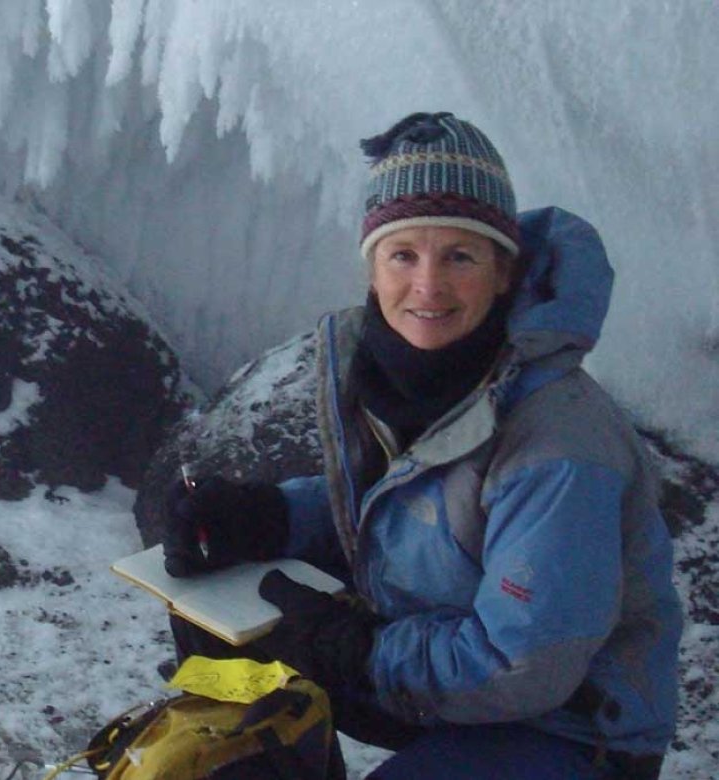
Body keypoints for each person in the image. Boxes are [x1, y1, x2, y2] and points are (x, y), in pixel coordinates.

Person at [163, 112, 682, 779]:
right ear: (372, 268)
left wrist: (358, 652)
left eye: (460, 255)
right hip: (437, 661)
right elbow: (408, 505)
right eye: (403, 253)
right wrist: (272, 517)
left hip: (566, 726)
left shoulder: (559, 444)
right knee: (223, 636)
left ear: (503, 272)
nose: (428, 286)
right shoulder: (401, 376)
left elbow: (524, 666)